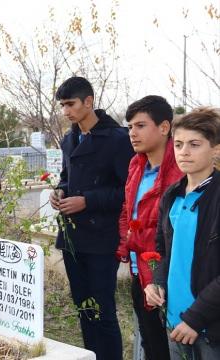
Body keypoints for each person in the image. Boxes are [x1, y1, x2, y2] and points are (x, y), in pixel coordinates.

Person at [49, 76, 134, 360]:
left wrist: (88, 201)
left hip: (102, 238)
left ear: (89, 102)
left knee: (102, 309)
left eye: (70, 104)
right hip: (73, 237)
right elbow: (65, 177)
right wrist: (59, 192)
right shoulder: (70, 138)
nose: (65, 111)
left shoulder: (118, 140)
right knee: (83, 306)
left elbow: (128, 191)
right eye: (62, 105)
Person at [144, 107, 220, 360]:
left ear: (216, 150)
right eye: (178, 144)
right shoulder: (172, 195)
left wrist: (195, 318)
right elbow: (164, 252)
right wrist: (157, 282)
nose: (184, 151)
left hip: (209, 326)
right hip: (175, 320)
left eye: (194, 144)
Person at [115, 95, 181, 360]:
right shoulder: (136, 164)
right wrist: (125, 245)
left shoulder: (180, 170)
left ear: (164, 127)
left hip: (166, 275)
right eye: (130, 126)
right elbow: (126, 209)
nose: (132, 133)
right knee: (151, 344)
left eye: (140, 126)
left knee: (173, 348)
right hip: (137, 270)